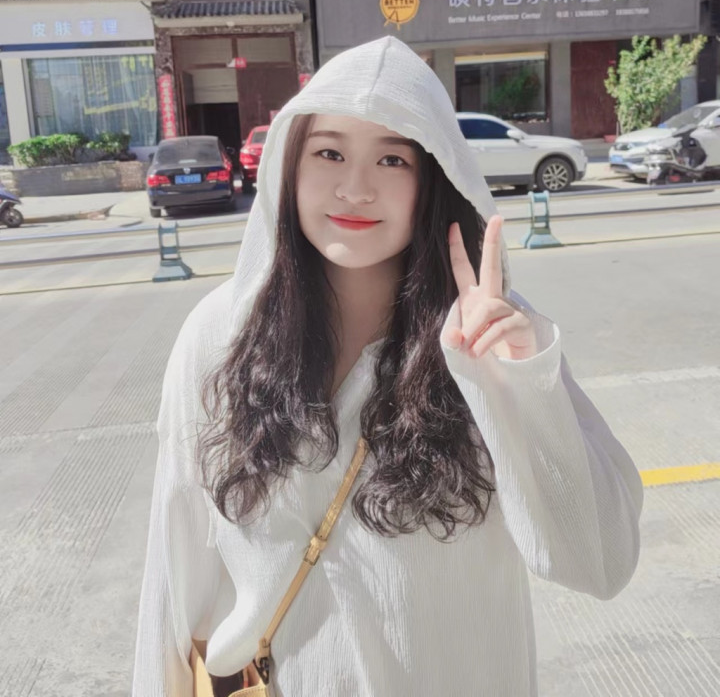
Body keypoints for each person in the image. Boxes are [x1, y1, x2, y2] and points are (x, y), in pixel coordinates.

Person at [133, 36, 643, 696]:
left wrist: (520, 386)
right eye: (329, 153)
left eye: (392, 158)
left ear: (433, 179)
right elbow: (174, 564)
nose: (355, 187)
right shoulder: (221, 333)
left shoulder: (493, 335)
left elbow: (598, 563)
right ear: (289, 166)